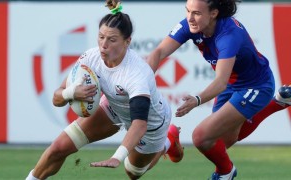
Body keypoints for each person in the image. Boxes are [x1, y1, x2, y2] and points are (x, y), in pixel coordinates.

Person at [25, 1, 184, 180]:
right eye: (101, 37)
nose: (103, 45)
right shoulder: (90, 57)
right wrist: (70, 93)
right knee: (58, 148)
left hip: (151, 125)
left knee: (133, 172)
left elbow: (140, 124)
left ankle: (168, 141)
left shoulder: (136, 73)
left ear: (127, 41)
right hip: (114, 108)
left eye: (112, 39)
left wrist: (117, 157)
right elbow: (57, 98)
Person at [146, 0, 291, 179]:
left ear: (213, 13)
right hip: (231, 85)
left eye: (196, 13)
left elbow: (220, 82)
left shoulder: (229, 35)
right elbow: (158, 52)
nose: (189, 18)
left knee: (201, 137)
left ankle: (225, 172)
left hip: (256, 86)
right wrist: (143, 83)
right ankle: (278, 103)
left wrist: (197, 100)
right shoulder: (190, 25)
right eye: (187, 11)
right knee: (219, 142)